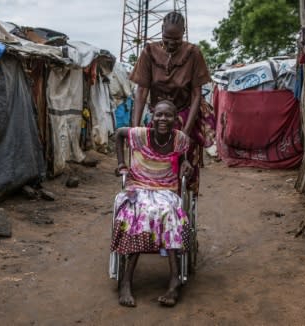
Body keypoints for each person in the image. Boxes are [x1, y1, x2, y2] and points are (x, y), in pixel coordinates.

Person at [111, 100, 193, 307]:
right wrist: (121, 163)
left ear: (176, 119)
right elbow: (119, 133)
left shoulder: (180, 139)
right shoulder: (140, 134)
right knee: (140, 212)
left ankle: (175, 280)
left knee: (168, 212)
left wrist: (186, 164)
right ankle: (126, 281)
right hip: (137, 186)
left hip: (165, 189)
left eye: (168, 116)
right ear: (152, 116)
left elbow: (182, 158)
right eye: (158, 115)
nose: (162, 119)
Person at [130, 11, 215, 193]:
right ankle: (155, 197)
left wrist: (184, 134)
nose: (171, 44)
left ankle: (184, 203)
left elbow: (195, 95)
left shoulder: (193, 53)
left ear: (184, 32)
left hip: (183, 114)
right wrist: (135, 129)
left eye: (176, 40)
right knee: (154, 159)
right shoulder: (149, 52)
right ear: (161, 30)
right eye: (167, 38)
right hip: (158, 114)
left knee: (184, 162)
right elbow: (142, 91)